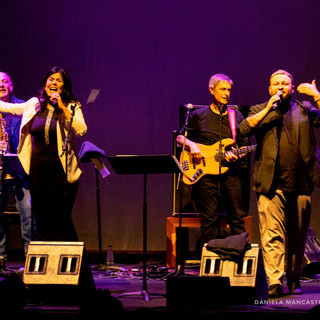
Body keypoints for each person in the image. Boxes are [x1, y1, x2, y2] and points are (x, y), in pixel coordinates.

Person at [239, 69, 320, 297]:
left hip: (301, 182)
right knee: (271, 234)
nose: (281, 87)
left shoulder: (304, 108)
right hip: (270, 184)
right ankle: (274, 280)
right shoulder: (259, 110)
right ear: (270, 89)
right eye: (276, 84)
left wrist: (317, 96)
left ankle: (294, 279)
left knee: (297, 236)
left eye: (285, 83)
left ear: (292, 88)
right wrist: (268, 108)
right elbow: (244, 129)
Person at [0, 67, 87, 242]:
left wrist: (62, 107)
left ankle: (74, 267)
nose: (53, 83)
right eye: (50, 79)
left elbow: (81, 129)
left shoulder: (72, 106)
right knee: (42, 220)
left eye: (58, 80)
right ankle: (43, 266)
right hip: (38, 170)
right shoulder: (34, 104)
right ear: (45, 83)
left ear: (64, 86)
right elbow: (8, 107)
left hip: (60, 169)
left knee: (61, 221)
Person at [176, 73, 249, 250]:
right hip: (206, 176)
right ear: (212, 90)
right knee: (208, 219)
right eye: (222, 89)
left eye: (229, 90)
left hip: (230, 174)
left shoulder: (236, 116)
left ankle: (239, 262)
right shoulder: (198, 115)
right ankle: (208, 264)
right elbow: (180, 138)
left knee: (237, 219)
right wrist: (193, 146)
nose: (226, 93)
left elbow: (244, 146)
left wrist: (236, 155)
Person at [0, 72, 32, 268]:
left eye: (4, 81)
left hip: (20, 169)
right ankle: (1, 256)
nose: (1, 85)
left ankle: (31, 257)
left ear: (11, 85)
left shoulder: (23, 107)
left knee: (27, 213)